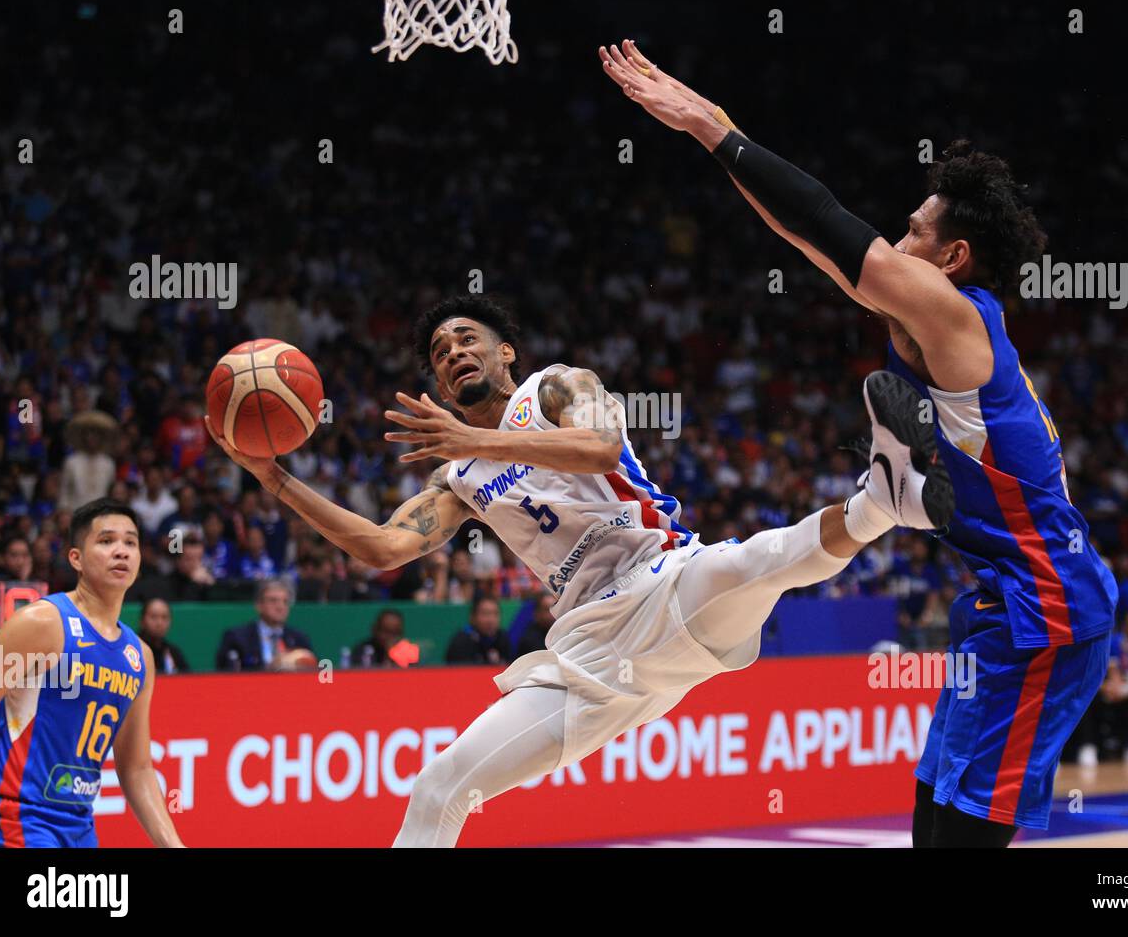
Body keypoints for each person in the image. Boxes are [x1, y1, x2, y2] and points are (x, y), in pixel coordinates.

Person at [600, 41, 1117, 847]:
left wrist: (706, 126)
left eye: (913, 233)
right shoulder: (933, 320)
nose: (895, 243)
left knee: (963, 832)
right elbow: (807, 236)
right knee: (930, 816)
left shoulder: (956, 316)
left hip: (1047, 609)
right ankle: (892, 487)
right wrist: (718, 127)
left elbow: (829, 224)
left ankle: (892, 488)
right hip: (1000, 599)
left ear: (952, 258)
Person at [204, 294, 952, 847]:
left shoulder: (559, 386)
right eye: (438, 351)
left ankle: (881, 502)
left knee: (757, 563)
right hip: (586, 652)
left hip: (664, 579)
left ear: (506, 356)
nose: (453, 352)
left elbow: (596, 452)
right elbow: (380, 548)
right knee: (440, 786)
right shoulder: (458, 477)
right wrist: (273, 481)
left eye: (468, 338)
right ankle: (883, 500)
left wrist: (476, 439)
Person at [0, 498, 183, 847]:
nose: (121, 551)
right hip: (17, 822)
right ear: (76, 559)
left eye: (130, 542)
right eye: (106, 541)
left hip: (79, 827)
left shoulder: (140, 657)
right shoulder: (42, 623)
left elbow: (136, 767)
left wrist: (173, 845)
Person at [215, 580, 315, 671]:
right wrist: (270, 668)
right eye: (273, 600)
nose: (280, 607)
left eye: (285, 602)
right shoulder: (238, 638)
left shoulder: (299, 639)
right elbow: (228, 675)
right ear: (259, 605)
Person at [445, 596, 511, 666]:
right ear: (473, 617)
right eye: (485, 614)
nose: (491, 620)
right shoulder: (461, 641)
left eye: (495, 614)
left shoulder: (503, 638)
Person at [137, 597, 190, 674]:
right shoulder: (133, 650)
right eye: (153, 617)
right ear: (141, 621)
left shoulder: (173, 653)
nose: (159, 623)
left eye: (164, 617)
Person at [514, 592, 557, 658]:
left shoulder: (562, 634)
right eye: (547, 610)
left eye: (554, 609)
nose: (552, 614)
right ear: (537, 613)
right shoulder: (528, 640)